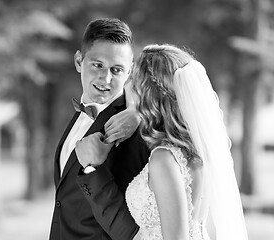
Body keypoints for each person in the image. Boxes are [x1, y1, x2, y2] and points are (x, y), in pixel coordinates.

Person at [82, 43, 249, 240]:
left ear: (148, 95)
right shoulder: (195, 153)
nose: (128, 88)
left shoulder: (165, 159)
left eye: (133, 82)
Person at [49, 18, 149, 240]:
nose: (106, 78)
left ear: (130, 71)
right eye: (97, 65)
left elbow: (130, 226)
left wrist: (92, 171)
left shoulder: (134, 132)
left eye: (117, 69)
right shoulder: (79, 115)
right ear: (78, 61)